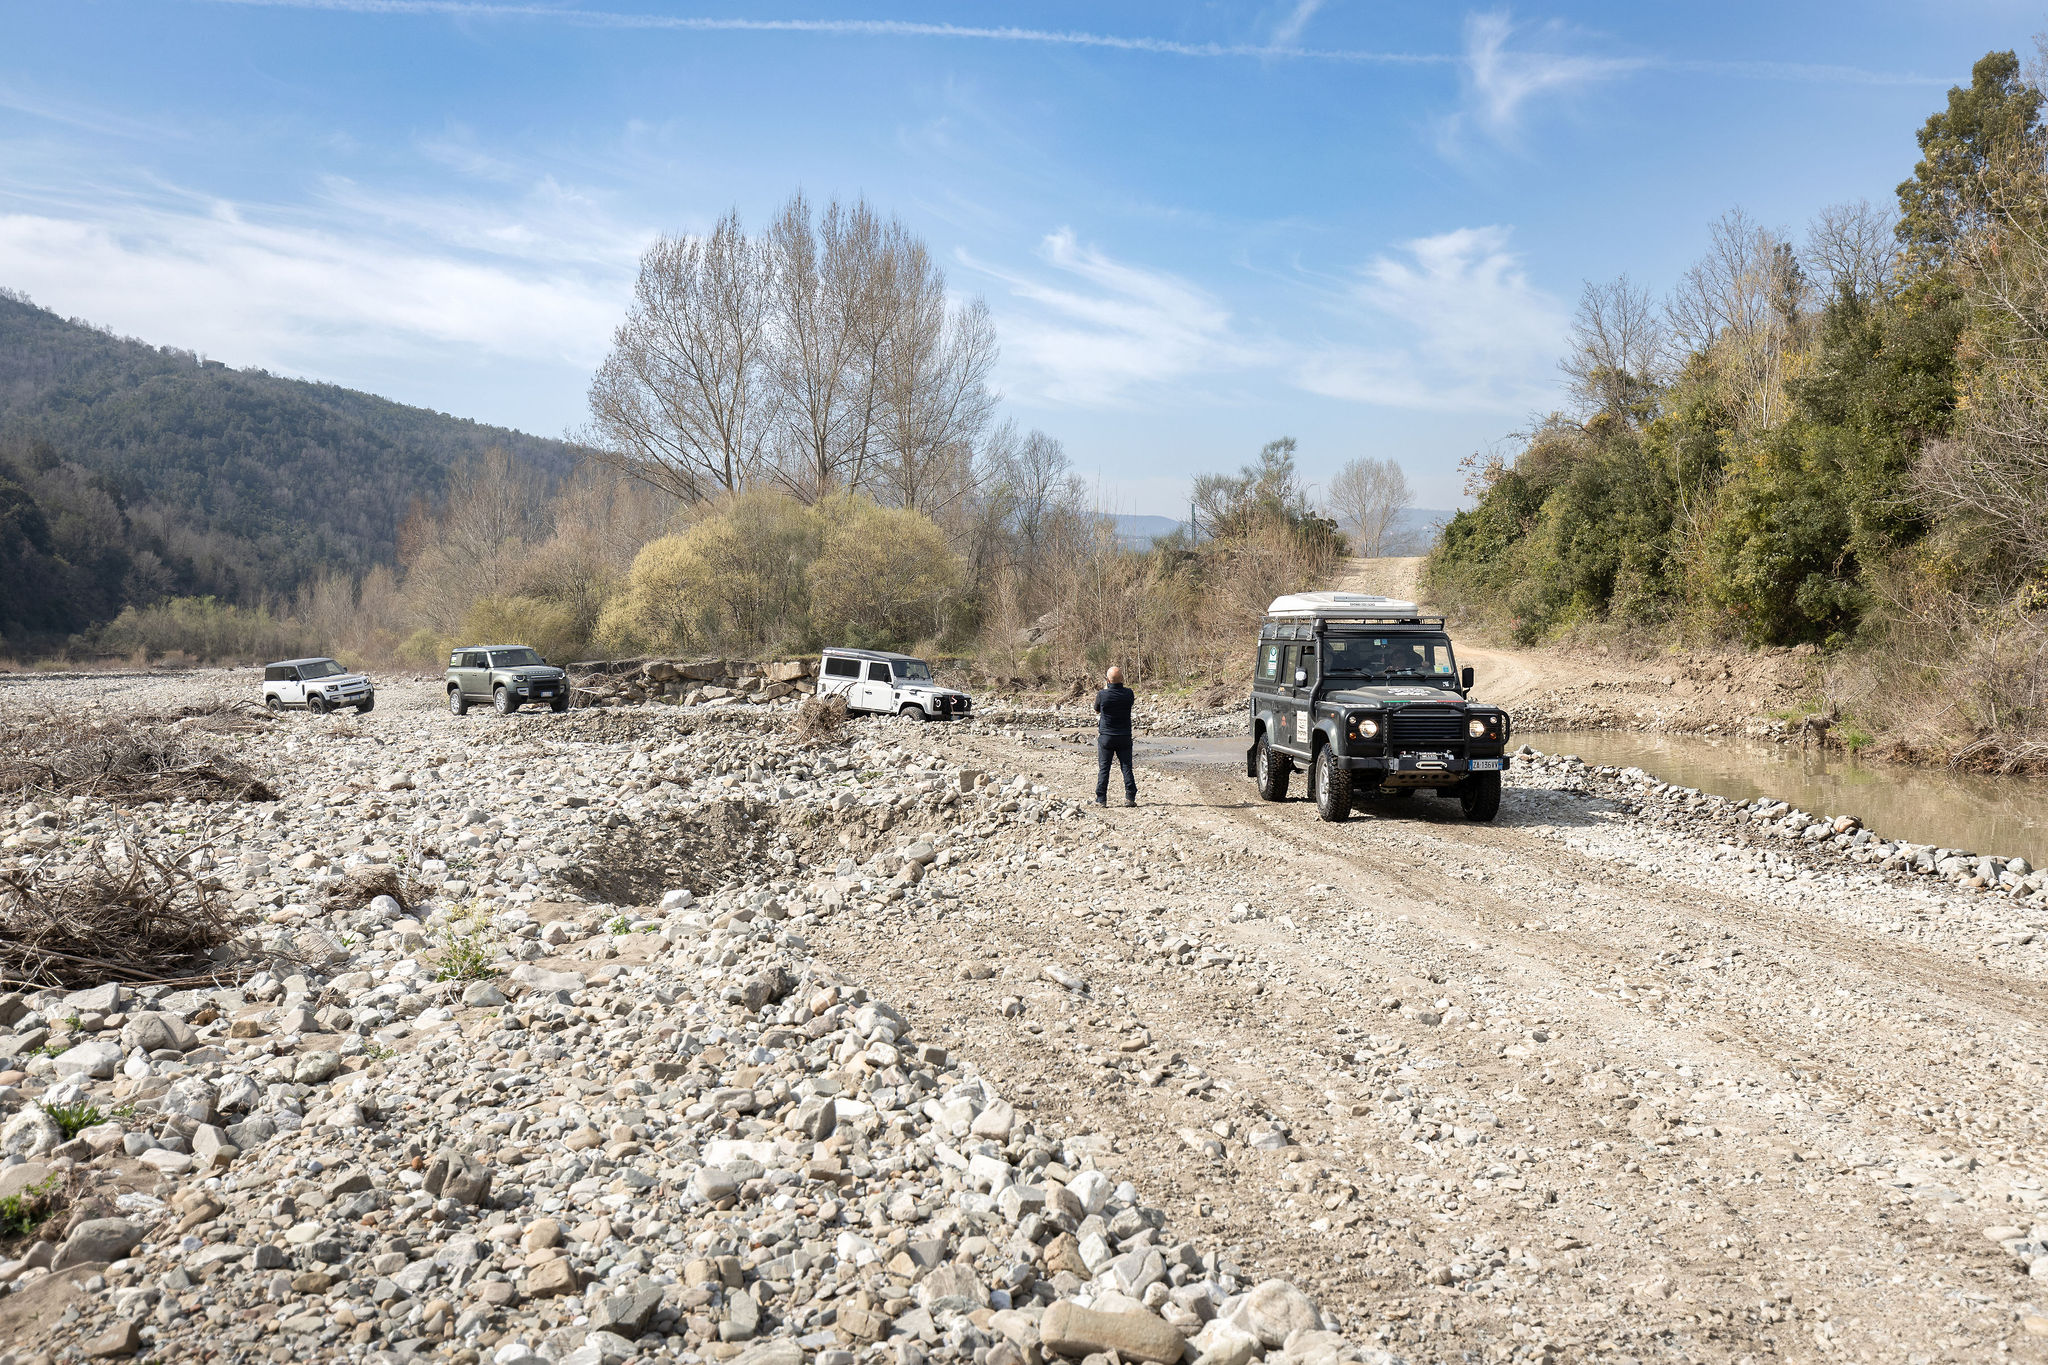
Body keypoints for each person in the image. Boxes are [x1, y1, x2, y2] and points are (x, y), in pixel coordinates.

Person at [1093, 665, 1137, 807]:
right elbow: (1129, 703)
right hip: (1124, 735)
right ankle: (1130, 797)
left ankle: (1101, 799)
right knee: (1126, 767)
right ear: (1122, 679)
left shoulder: (1102, 695)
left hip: (1106, 736)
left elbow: (1097, 710)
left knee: (1104, 768)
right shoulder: (1129, 693)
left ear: (1107, 680)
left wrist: (1107, 688)